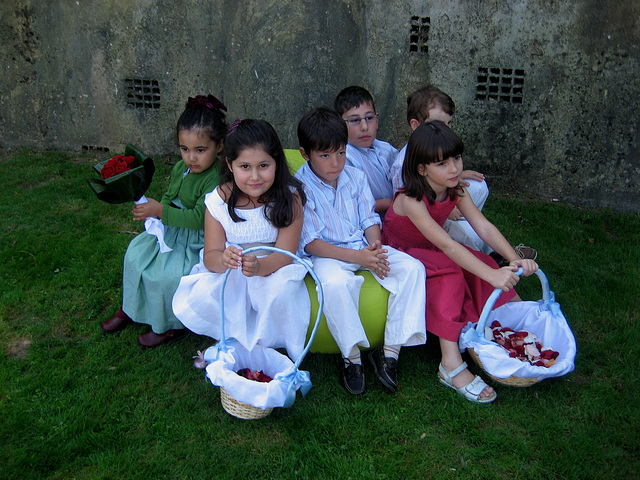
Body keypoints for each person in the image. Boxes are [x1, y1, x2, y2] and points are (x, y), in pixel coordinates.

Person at [381, 120, 539, 403]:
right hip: (401, 254)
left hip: (432, 247)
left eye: (456, 158)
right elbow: (447, 245)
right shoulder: (411, 199)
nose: (454, 168)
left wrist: (513, 260)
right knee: (452, 274)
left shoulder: (456, 188)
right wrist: (493, 276)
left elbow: (484, 227)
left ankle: (513, 324)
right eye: (442, 163)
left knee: (483, 262)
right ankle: (450, 363)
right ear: (422, 169)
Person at [295, 107, 426, 395]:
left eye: (341, 153)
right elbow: (310, 243)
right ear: (306, 154)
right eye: (325, 155)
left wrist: (375, 247)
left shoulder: (355, 177)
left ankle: (389, 352)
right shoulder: (299, 187)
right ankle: (351, 356)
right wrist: (359, 258)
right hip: (327, 255)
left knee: (414, 269)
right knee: (335, 283)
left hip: (362, 245)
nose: (335, 162)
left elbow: (368, 218)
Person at [171, 119, 310, 361]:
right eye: (245, 166)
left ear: (277, 163)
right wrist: (224, 259)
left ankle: (263, 345)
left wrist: (260, 267)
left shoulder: (289, 198)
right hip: (233, 269)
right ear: (230, 164)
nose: (255, 176)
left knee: (281, 292)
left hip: (274, 267)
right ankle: (231, 337)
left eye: (264, 165)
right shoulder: (218, 200)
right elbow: (211, 255)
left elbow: (286, 254)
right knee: (211, 291)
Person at [101, 95, 227, 347]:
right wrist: (152, 210)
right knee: (135, 256)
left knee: (169, 275)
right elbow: (171, 195)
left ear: (220, 146)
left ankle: (169, 325)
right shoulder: (180, 167)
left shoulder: (215, 178)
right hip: (170, 227)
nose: (191, 157)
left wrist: (160, 211)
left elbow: (198, 218)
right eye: (185, 149)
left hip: (195, 237)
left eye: (200, 150)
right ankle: (130, 306)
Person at [390, 85, 537, 260]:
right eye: (437, 124)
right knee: (463, 241)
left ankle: (496, 256)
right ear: (415, 125)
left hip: (436, 209)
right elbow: (407, 202)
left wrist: (456, 176)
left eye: (449, 123)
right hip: (417, 229)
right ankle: (490, 258)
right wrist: (445, 209)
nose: (445, 129)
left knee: (478, 188)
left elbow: (484, 226)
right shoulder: (405, 165)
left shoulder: (450, 173)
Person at [333, 86, 397, 215]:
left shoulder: (386, 149)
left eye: (369, 118)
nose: (364, 127)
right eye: (355, 120)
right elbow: (349, 205)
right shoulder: (344, 157)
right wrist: (388, 203)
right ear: (340, 125)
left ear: (377, 121)